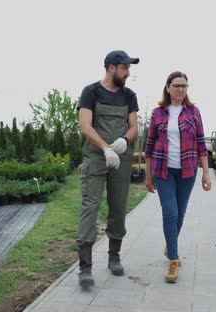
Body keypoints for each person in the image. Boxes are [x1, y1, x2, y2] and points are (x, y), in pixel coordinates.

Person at [76, 50, 140, 287]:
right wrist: (104, 148)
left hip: (121, 159)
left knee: (118, 207)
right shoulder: (91, 92)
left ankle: (114, 257)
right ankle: (85, 267)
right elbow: (85, 125)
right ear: (112, 67)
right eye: (125, 68)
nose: (128, 72)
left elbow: (134, 127)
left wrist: (124, 139)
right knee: (90, 207)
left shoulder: (129, 95)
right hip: (96, 156)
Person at [144, 71, 211, 283]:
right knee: (170, 213)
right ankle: (173, 260)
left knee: (180, 214)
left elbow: (201, 144)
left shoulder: (193, 112)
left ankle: (169, 246)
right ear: (168, 87)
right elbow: (149, 145)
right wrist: (148, 175)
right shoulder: (158, 113)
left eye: (184, 86)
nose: (181, 89)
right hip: (163, 170)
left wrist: (206, 173)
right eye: (177, 85)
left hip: (187, 171)